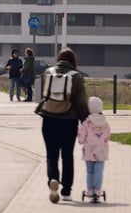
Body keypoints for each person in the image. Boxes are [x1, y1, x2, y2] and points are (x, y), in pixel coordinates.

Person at [35, 47, 89, 203]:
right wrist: (85, 121)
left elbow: (45, 95)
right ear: (73, 61)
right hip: (68, 121)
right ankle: (66, 191)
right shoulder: (76, 77)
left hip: (49, 120)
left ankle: (53, 179)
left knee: (51, 155)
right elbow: (81, 103)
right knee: (67, 156)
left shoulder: (48, 72)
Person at [78, 96, 110, 201]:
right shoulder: (105, 122)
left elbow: (82, 137)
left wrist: (81, 141)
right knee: (99, 171)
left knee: (90, 171)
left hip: (89, 151)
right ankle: (98, 190)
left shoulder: (87, 122)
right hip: (101, 151)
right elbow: (108, 135)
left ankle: (90, 190)